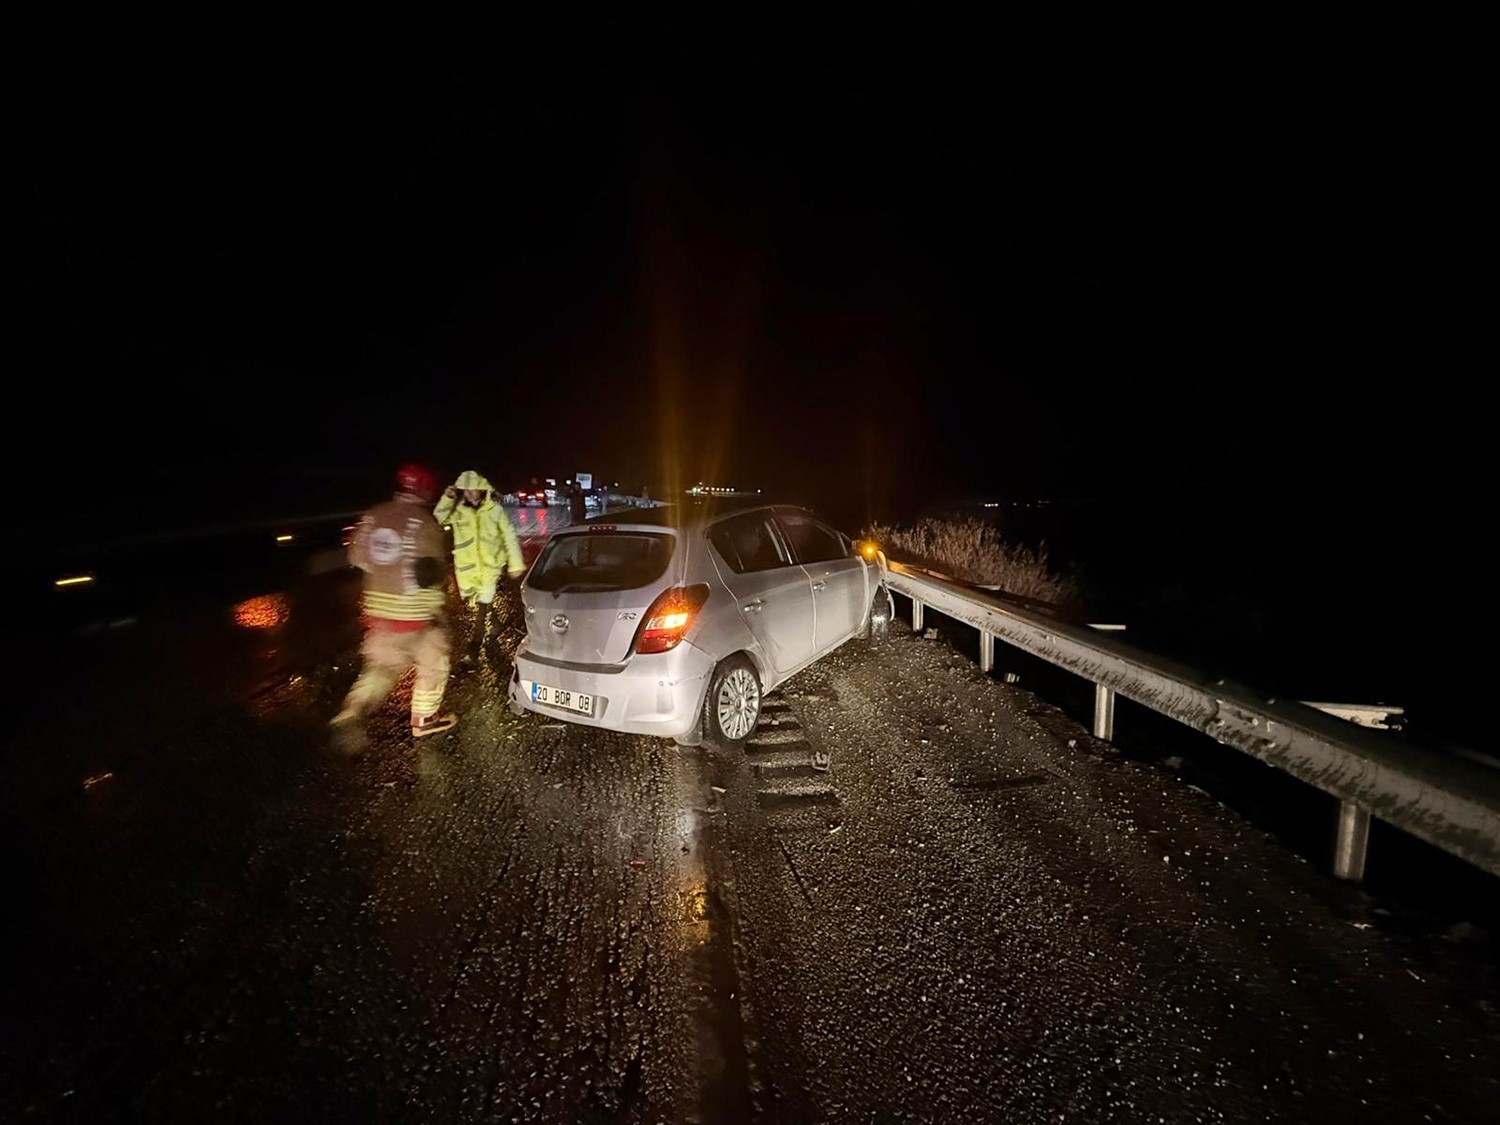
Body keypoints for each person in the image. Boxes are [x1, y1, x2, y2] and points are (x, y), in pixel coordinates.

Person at [329, 462, 457, 754]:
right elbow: (430, 575)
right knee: (434, 660)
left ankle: (353, 709)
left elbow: (357, 557)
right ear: (426, 491)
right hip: (414, 613)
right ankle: (424, 719)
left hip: (378, 612)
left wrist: (385, 572)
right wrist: (438, 610)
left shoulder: (373, 515)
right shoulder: (426, 523)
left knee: (381, 667)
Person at [433, 469, 525, 667]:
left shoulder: (494, 511)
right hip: (467, 569)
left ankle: (473, 650)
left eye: (474, 489)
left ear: (482, 489)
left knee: (481, 608)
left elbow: (509, 535)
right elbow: (440, 517)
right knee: (478, 601)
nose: (471, 494)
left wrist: (515, 563)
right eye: (467, 490)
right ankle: (496, 624)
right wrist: (447, 498)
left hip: (490, 567)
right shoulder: (458, 511)